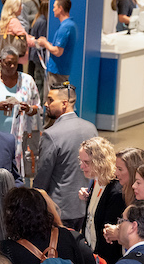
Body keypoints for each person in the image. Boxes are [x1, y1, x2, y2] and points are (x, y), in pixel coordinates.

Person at [34, 84, 97, 230]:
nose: (46, 104)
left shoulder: (52, 134)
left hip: (59, 210)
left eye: (50, 100)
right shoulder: (91, 128)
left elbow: (42, 176)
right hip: (85, 207)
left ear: (64, 104)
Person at [0, 46, 41, 171]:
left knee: (15, 172)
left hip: (19, 139)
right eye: (8, 63)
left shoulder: (27, 81)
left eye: (15, 63)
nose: (12, 66)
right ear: (0, 62)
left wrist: (28, 109)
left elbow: (37, 107)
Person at [79, 136, 126, 264]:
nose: (82, 166)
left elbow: (108, 237)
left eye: (86, 162)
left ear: (100, 161)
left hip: (106, 262)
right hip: (93, 254)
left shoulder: (115, 191)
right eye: (81, 161)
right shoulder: (96, 181)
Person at [37, 0, 76, 87]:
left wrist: (45, 43)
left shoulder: (65, 27)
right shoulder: (68, 25)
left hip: (58, 72)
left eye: (54, 7)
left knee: (54, 99)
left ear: (60, 8)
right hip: (60, 71)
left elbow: (58, 52)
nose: (53, 9)